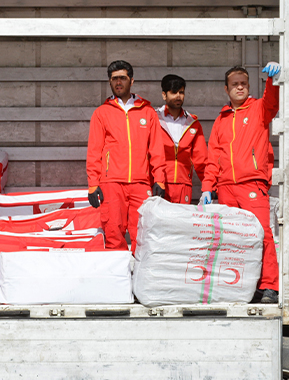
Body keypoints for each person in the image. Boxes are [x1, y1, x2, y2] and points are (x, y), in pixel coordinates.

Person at [202, 62, 282, 304]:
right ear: (226, 89)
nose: (240, 88)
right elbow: (213, 157)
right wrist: (207, 187)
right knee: (233, 239)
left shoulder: (259, 109)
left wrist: (273, 80)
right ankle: (240, 286)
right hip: (226, 189)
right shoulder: (221, 120)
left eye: (244, 84)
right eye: (235, 84)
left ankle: (269, 286)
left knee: (263, 234)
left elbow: (272, 101)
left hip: (252, 185)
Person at [86, 60, 167, 252]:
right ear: (110, 82)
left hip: (141, 183)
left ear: (132, 80)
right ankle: (119, 280)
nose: (118, 82)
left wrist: (160, 179)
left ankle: (140, 280)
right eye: (114, 79)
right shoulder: (101, 113)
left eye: (122, 78)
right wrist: (93, 184)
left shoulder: (147, 112)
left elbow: (156, 149)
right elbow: (94, 150)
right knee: (113, 233)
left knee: (143, 235)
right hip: (111, 183)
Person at [155, 74, 207, 205]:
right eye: (173, 92)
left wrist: (209, 186)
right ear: (164, 95)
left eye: (181, 92)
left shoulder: (193, 123)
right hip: (159, 183)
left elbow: (201, 160)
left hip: (183, 185)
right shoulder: (154, 119)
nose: (178, 96)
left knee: (179, 225)